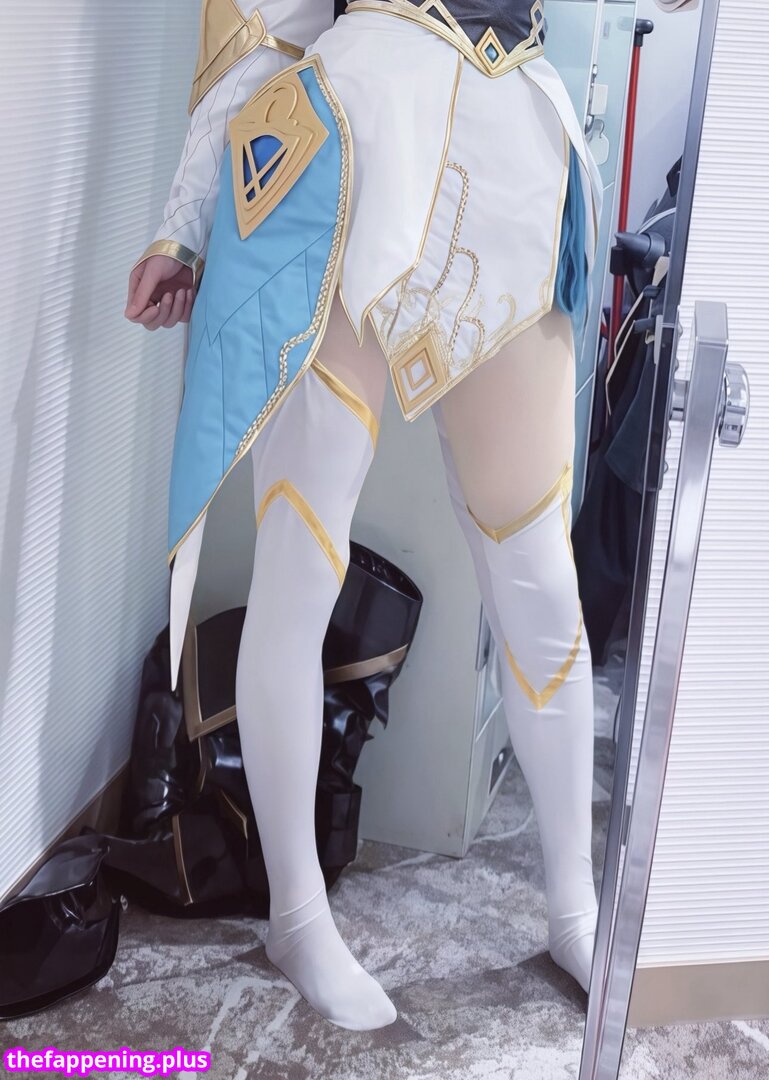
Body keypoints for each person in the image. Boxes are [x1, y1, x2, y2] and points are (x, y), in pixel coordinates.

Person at [125, 0, 604, 1032]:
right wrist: (184, 219)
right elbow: (262, 18)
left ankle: (576, 906)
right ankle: (295, 912)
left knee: (537, 574)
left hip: (514, 166)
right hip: (351, 139)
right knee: (301, 560)